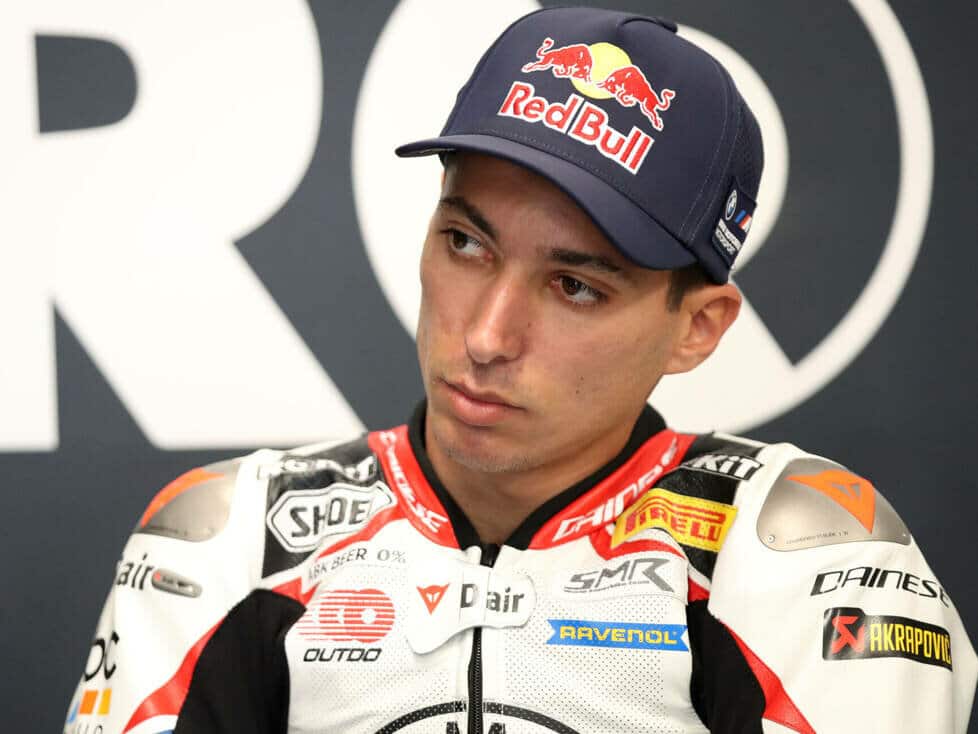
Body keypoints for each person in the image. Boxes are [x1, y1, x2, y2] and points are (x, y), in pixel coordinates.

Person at [65, 7, 976, 733]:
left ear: (696, 329)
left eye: (575, 286)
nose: (487, 336)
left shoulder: (800, 552)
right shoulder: (232, 543)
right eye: (466, 243)